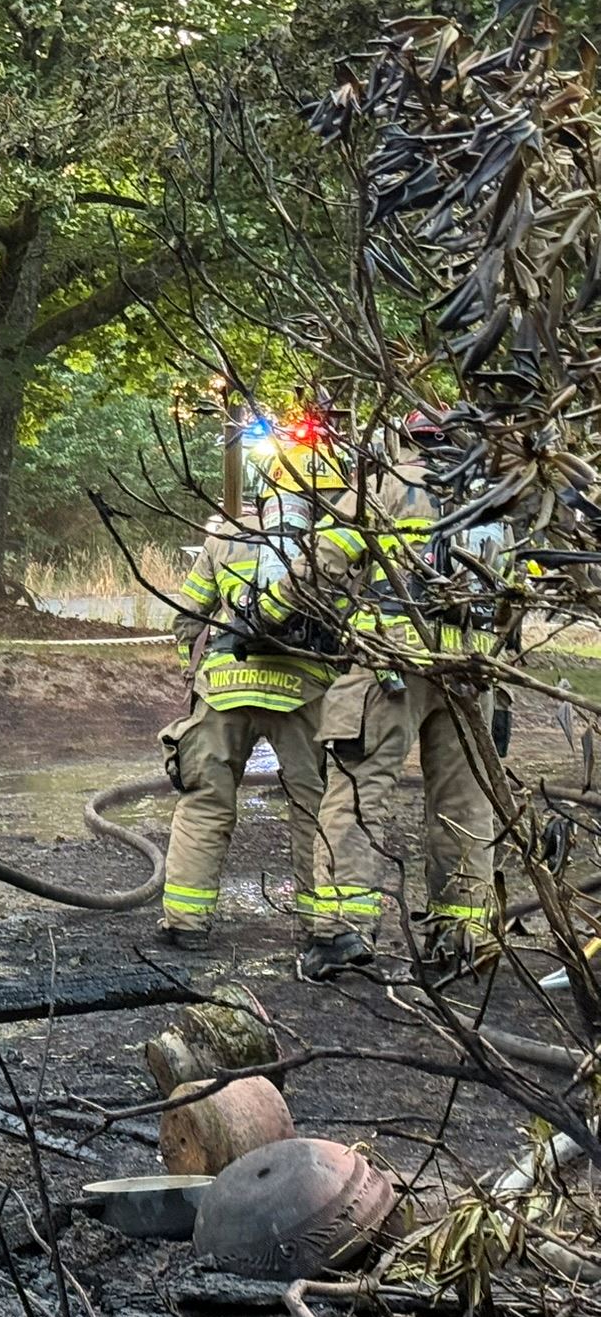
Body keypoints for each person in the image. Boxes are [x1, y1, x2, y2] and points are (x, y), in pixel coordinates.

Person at [251, 410, 505, 982]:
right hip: (472, 670)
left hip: (392, 663)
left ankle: (343, 930)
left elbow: (323, 561)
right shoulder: (495, 499)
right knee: (466, 802)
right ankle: (463, 935)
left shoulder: (388, 485)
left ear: (403, 440)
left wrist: (265, 614)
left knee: (359, 790)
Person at [158, 441, 347, 950]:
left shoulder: (227, 538)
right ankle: (322, 929)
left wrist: (188, 672)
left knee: (206, 800)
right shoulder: (339, 541)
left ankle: (185, 924)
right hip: (305, 691)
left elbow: (188, 614)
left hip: (224, 687)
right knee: (316, 807)